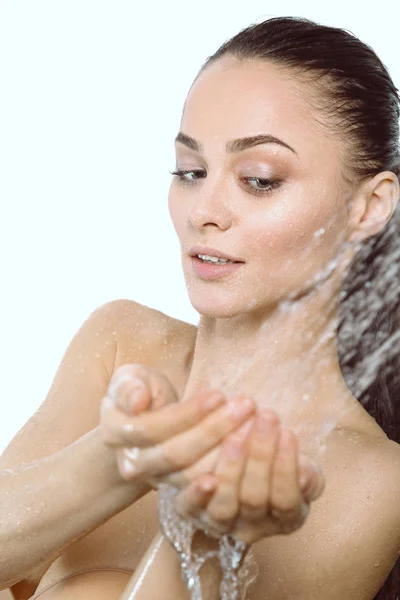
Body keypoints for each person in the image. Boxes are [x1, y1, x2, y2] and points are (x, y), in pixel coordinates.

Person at [1, 14, 400, 600]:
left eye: (259, 180)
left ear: (369, 206)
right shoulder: (121, 346)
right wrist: (119, 460)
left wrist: (208, 537)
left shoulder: (372, 484)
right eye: (190, 171)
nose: (202, 210)